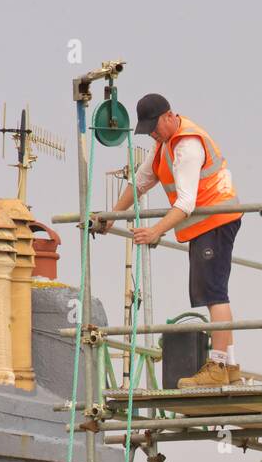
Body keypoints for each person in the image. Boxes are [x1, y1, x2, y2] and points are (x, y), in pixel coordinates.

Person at [96, 94, 243, 387]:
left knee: (215, 292)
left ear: (168, 116)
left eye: (154, 127)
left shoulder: (187, 145)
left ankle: (218, 366)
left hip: (216, 219)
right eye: (148, 129)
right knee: (211, 291)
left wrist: (155, 231)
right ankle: (230, 366)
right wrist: (112, 215)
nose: (152, 133)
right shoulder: (164, 145)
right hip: (206, 224)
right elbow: (141, 182)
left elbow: (186, 202)